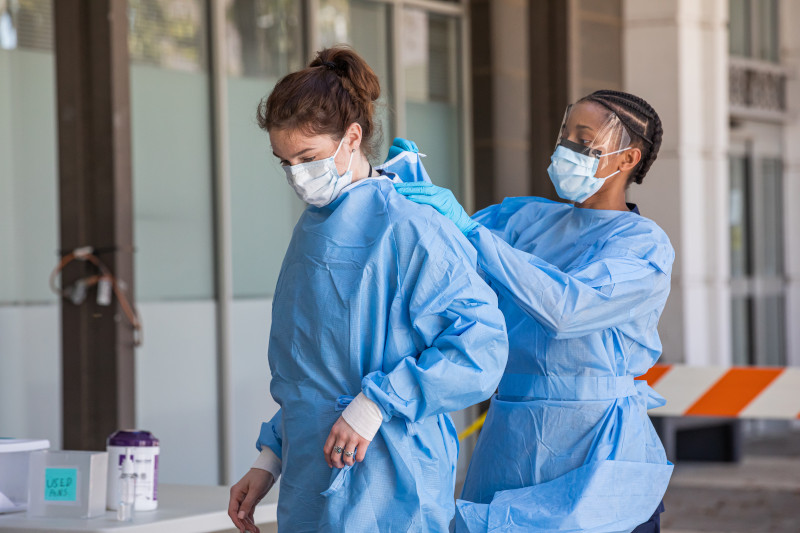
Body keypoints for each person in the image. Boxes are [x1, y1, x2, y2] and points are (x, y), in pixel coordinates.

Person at [226, 46, 508, 533]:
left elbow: (481, 345)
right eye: (284, 161)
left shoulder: (411, 227)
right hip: (310, 475)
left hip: (391, 473)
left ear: (352, 137)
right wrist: (272, 456)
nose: (296, 175)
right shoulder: (314, 228)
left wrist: (379, 402)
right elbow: (308, 371)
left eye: (308, 157)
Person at [395, 90, 674, 533]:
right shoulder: (525, 219)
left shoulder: (643, 246)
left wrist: (470, 231)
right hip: (511, 438)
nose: (566, 149)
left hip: (597, 445)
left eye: (583, 140)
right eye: (565, 136)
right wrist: (410, 185)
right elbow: (447, 246)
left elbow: (568, 308)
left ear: (627, 159)